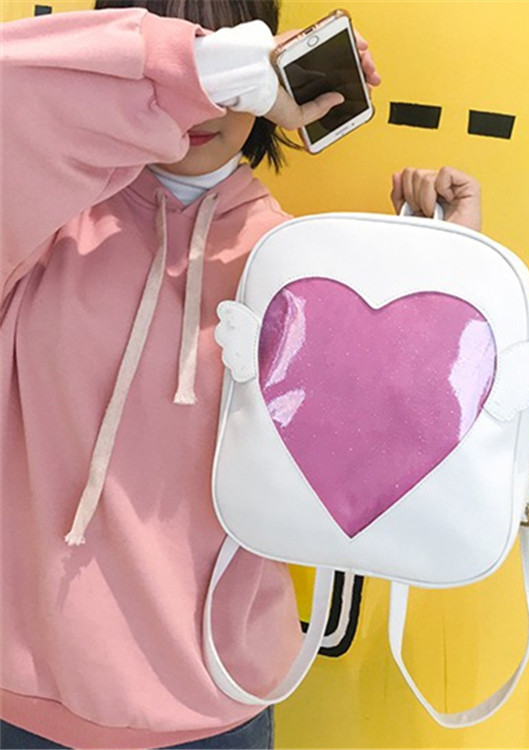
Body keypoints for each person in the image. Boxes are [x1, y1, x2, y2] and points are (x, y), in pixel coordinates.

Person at [0, 1, 481, 748]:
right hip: (21, 698)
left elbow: (385, 466)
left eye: (225, 53)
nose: (203, 107)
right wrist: (209, 72)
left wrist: (442, 270)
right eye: (182, 52)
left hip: (216, 707)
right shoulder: (36, 225)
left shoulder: (301, 268)